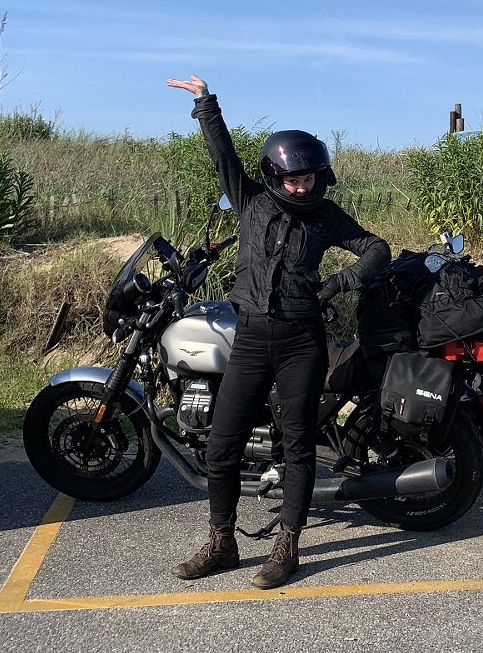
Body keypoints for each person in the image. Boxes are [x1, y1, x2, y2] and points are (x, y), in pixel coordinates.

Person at [166, 74, 390, 589]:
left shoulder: (326, 216)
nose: (301, 186)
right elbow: (222, 156)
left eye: (309, 177)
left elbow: (377, 248)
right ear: (274, 175)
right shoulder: (250, 201)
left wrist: (340, 282)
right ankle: (221, 543)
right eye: (292, 179)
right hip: (249, 337)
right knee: (221, 445)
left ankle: (286, 546)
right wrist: (206, 103)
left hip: (301, 341)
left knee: (297, 447)